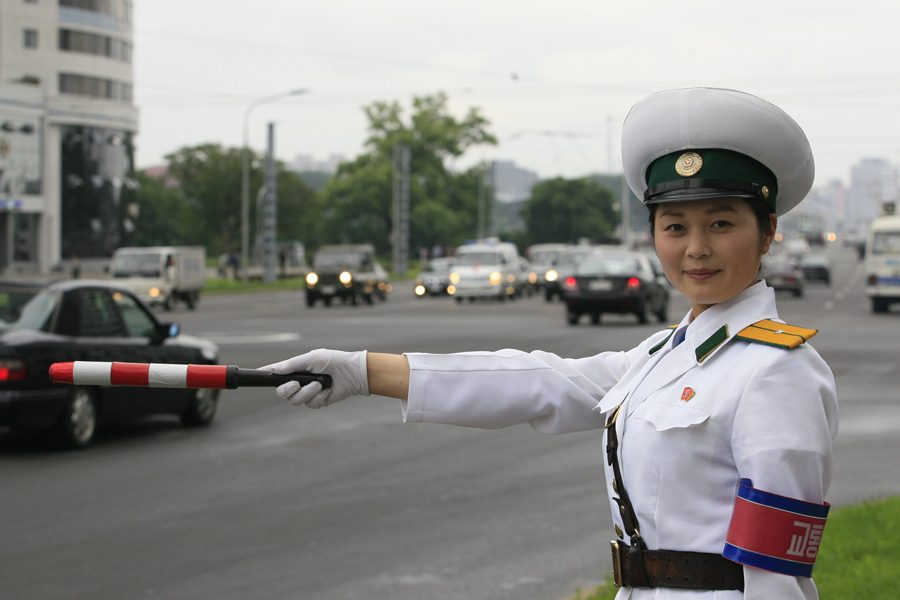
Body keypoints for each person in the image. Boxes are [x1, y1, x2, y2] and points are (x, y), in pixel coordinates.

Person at [264, 88, 838, 599]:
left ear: (767, 231)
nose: (695, 248)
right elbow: (537, 383)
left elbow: (776, 575)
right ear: (653, 235)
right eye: (674, 226)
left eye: (720, 224)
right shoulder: (663, 354)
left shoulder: (777, 371)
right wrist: (363, 371)